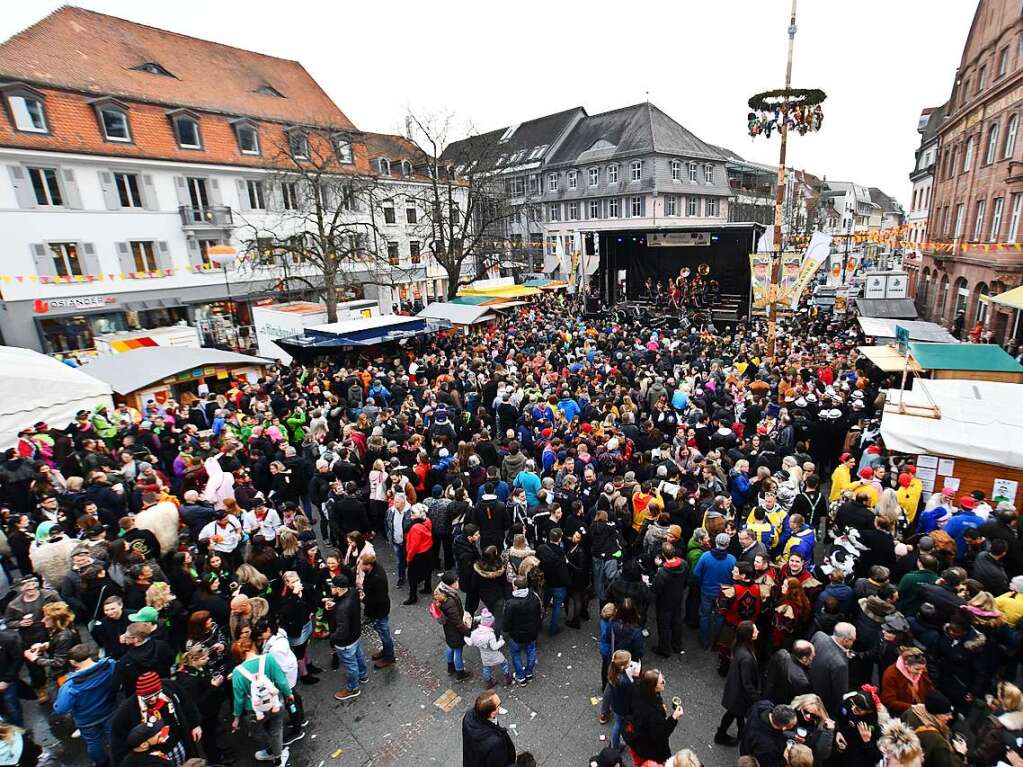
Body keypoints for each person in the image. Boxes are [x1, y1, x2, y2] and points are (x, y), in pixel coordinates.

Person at [230, 635, 294, 767]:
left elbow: (239, 699)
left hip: (254, 710)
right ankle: (278, 758)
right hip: (275, 702)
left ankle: (269, 750)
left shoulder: (237, 672)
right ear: (253, 646)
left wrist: (236, 717)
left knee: (259, 731)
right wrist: (289, 694)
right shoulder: (269, 659)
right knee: (276, 730)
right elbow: (281, 681)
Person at [52, 643, 117, 767]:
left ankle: (101, 763)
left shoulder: (70, 685)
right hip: (109, 710)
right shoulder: (109, 665)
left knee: (93, 743)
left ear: (73, 662)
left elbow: (61, 709)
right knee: (113, 736)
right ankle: (119, 757)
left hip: (86, 719)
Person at [625, 668, 682, 765]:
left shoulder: (639, 688)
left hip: (638, 735)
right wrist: (674, 717)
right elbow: (661, 734)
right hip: (649, 747)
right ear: (653, 686)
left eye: (663, 678)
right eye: (661, 682)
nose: (664, 682)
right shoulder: (653, 714)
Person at [325, 574, 369, 700]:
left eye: (333, 587)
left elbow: (342, 631)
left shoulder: (342, 609)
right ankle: (363, 675)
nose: (331, 589)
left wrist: (332, 638)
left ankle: (352, 688)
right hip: (356, 634)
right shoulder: (353, 592)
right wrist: (334, 603)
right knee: (359, 656)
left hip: (345, 642)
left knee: (351, 665)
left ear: (338, 589)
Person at [717, 620, 760, 745]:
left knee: (736, 713)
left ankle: (741, 732)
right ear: (749, 635)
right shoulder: (746, 656)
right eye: (755, 630)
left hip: (735, 688)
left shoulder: (740, 646)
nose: (758, 631)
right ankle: (721, 735)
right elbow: (746, 682)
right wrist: (756, 697)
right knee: (733, 713)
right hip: (739, 693)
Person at [502, 574, 543, 685]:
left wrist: (505, 630)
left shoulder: (511, 603)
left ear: (515, 587)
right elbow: (539, 614)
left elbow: (506, 622)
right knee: (531, 651)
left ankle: (520, 676)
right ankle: (529, 673)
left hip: (516, 635)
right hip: (532, 633)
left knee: (516, 654)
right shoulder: (534, 597)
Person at [809, 622, 856, 718]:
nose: (853, 642)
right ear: (845, 640)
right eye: (853, 640)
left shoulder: (819, 635)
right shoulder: (840, 664)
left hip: (810, 681)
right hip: (824, 700)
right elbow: (841, 692)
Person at [433, 570, 473, 681]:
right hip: (455, 630)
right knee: (458, 651)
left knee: (450, 646)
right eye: (456, 581)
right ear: (451, 584)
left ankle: (450, 668)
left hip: (448, 628)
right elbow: (457, 622)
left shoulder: (440, 591)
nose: (458, 583)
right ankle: (460, 673)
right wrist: (467, 632)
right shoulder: (449, 602)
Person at [461, 689, 516, 767]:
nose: (500, 707)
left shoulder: (468, 716)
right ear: (492, 713)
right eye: (498, 705)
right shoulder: (495, 743)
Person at [360, 553, 395, 669]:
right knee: (381, 631)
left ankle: (389, 657)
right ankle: (385, 651)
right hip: (375, 609)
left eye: (362, 564)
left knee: (384, 633)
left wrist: (363, 599)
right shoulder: (373, 571)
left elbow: (378, 599)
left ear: (369, 565)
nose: (360, 566)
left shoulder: (377, 578)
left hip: (380, 611)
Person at [740, 702, 798, 767]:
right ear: (784, 727)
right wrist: (784, 759)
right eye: (792, 725)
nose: (793, 726)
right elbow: (768, 764)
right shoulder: (767, 744)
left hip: (746, 740)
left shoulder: (762, 705)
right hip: (751, 755)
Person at [467, 608, 511, 690]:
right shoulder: (490, 635)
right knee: (504, 663)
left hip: (484, 656)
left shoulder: (475, 633)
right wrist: (502, 641)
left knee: (487, 668)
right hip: (494, 655)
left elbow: (470, 641)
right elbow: (494, 647)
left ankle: (489, 682)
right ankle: (507, 677)